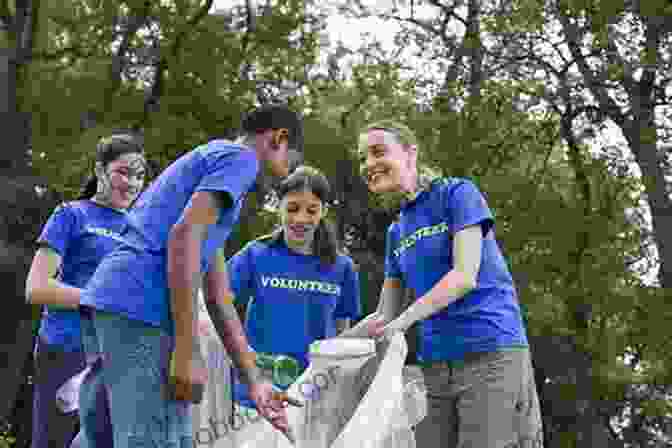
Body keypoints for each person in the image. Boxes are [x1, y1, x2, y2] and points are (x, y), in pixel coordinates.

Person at [77, 104, 305, 448]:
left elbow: (217, 297)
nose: (287, 173)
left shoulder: (208, 175)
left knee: (105, 438)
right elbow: (183, 237)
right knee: (159, 438)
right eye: (292, 161)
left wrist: (255, 381)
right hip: (143, 307)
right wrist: (186, 349)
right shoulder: (239, 160)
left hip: (110, 304)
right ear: (279, 138)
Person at [345, 120, 544, 448]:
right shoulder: (397, 232)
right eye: (362, 158)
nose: (368, 164)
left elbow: (464, 276)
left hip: (491, 353)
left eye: (378, 152)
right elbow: (384, 316)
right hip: (436, 367)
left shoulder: (456, 194)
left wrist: (403, 322)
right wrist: (328, 347)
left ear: (411, 154)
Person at [25, 134, 147, 448]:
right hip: (65, 350)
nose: (132, 182)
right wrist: (102, 300)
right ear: (100, 170)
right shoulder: (72, 215)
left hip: (118, 360)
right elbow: (36, 287)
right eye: (123, 171)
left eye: (139, 175)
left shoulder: (143, 230)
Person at [227, 166, 361, 413]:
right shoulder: (255, 254)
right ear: (279, 206)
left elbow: (343, 334)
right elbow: (217, 305)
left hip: (315, 394)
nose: (300, 219)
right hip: (256, 395)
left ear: (324, 212)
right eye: (292, 208)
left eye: (312, 210)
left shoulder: (342, 267)